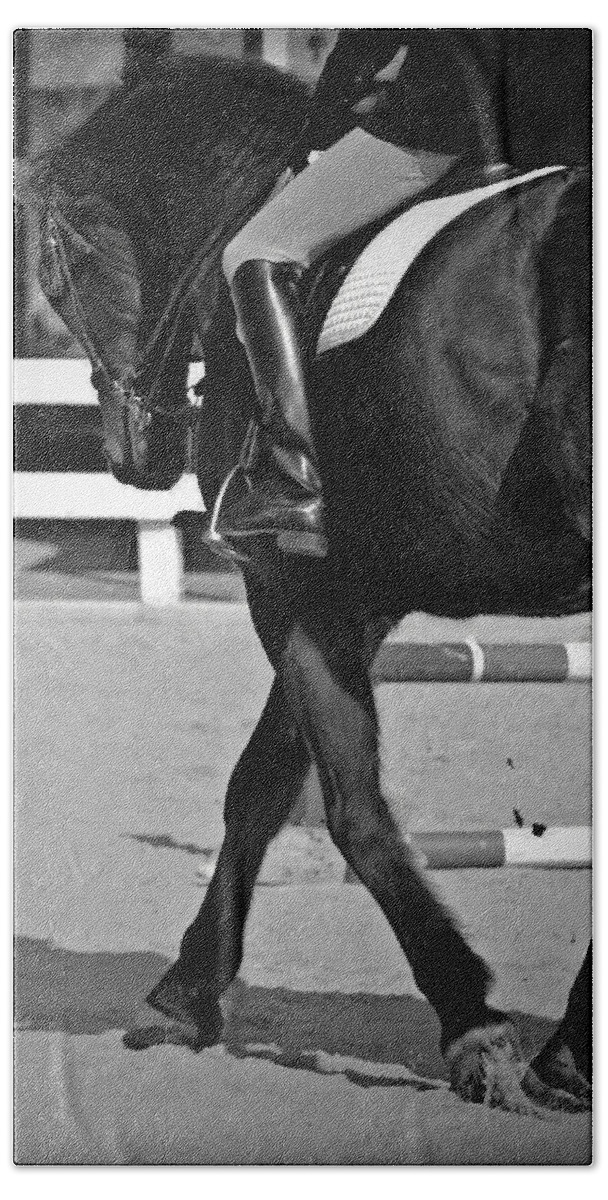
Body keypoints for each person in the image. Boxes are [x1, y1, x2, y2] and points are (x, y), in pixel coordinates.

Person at [218, 28, 591, 546]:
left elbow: (373, 36)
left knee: (256, 250)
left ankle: (291, 482)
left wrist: (316, 139)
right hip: (583, 122)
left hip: (449, 123)